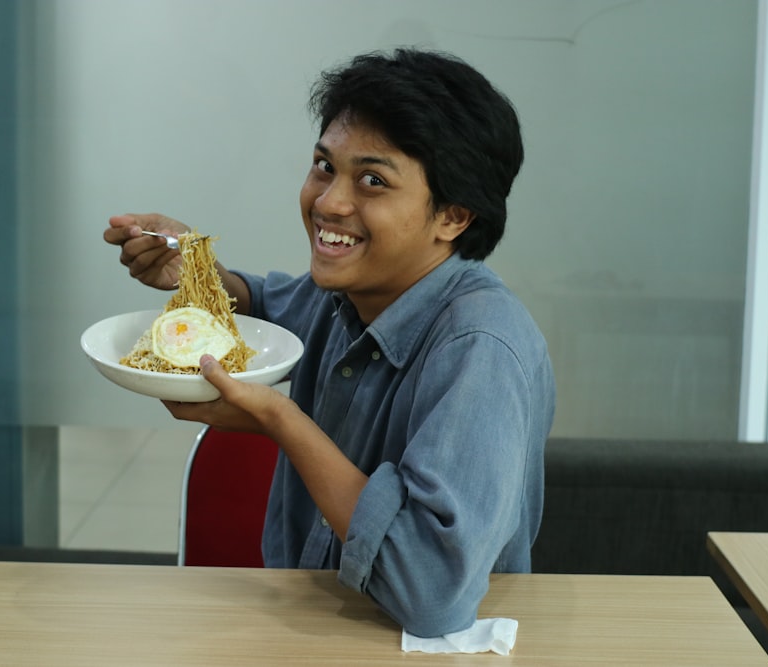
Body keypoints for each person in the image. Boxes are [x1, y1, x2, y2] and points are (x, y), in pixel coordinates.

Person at [104, 48, 555, 638]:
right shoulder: (352, 290)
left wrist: (280, 421)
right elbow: (266, 304)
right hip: (309, 631)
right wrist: (196, 271)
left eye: (372, 180)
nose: (328, 202)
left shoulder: (480, 349)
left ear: (453, 216)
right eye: (323, 166)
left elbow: (431, 597)